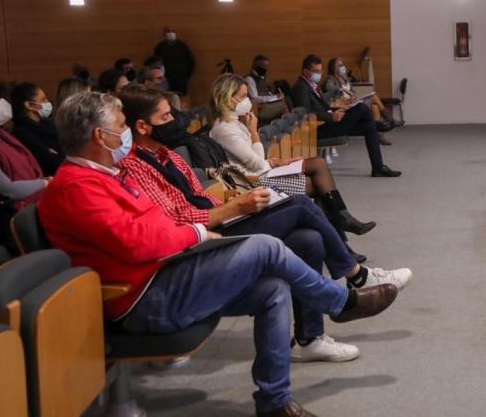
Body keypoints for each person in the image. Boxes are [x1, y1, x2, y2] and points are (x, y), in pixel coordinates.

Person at [37, 91, 399, 417]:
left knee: (274, 288)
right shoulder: (77, 186)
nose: (126, 132)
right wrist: (195, 232)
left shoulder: (109, 174)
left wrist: (188, 233)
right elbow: (139, 241)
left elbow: (159, 224)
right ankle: (341, 302)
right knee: (266, 246)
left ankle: (274, 402)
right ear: (101, 136)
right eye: (120, 126)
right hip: (145, 297)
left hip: (170, 269)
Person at [118, 85, 411, 362]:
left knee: (309, 239)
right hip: (201, 241)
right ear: (143, 127)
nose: (175, 121)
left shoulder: (168, 155)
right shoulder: (134, 167)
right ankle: (357, 276)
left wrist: (236, 205)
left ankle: (311, 339)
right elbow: (173, 221)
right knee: (299, 204)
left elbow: (202, 194)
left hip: (224, 214)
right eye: (166, 117)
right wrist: (235, 207)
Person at [205, 74, 377, 238]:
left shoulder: (234, 123)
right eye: (243, 96)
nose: (247, 101)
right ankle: (341, 225)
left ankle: (341, 222)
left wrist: (276, 161)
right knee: (317, 184)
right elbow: (256, 165)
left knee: (317, 164)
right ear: (228, 98)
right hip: (253, 183)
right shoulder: (225, 129)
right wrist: (256, 136)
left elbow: (255, 159)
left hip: (260, 173)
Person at [291, 55, 400, 178]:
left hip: (326, 123)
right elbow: (305, 114)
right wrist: (331, 117)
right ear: (305, 71)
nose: (319, 74)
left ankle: (378, 167)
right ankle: (381, 126)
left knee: (369, 127)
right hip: (317, 130)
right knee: (362, 108)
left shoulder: (310, 85)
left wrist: (337, 110)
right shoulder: (301, 87)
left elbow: (322, 108)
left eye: (320, 71)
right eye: (316, 71)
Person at [325, 57, 396, 141]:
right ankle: (389, 119)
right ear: (334, 68)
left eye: (342, 64)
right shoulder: (331, 78)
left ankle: (377, 134)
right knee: (373, 97)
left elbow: (352, 91)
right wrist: (342, 89)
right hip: (344, 105)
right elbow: (328, 87)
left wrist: (353, 96)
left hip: (351, 102)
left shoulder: (345, 78)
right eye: (340, 65)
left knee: (375, 107)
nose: (342, 67)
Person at [9, 82, 65, 176]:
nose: (48, 102)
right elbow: (53, 162)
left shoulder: (50, 125)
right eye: (43, 99)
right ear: (30, 105)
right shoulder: (21, 133)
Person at [245, 55, 289, 124]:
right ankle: (287, 127)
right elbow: (254, 98)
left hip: (266, 104)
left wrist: (276, 96)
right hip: (259, 108)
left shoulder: (261, 78)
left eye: (266, 66)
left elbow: (265, 92)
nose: (265, 68)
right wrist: (274, 97)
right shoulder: (249, 79)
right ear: (255, 65)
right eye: (263, 65)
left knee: (286, 99)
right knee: (283, 105)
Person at [154, 27, 196, 96]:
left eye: (173, 31)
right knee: (167, 97)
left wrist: (187, 75)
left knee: (181, 97)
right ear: (164, 34)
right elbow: (156, 63)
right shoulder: (160, 47)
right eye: (168, 31)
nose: (171, 33)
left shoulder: (182, 46)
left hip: (181, 77)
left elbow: (191, 61)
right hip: (166, 78)